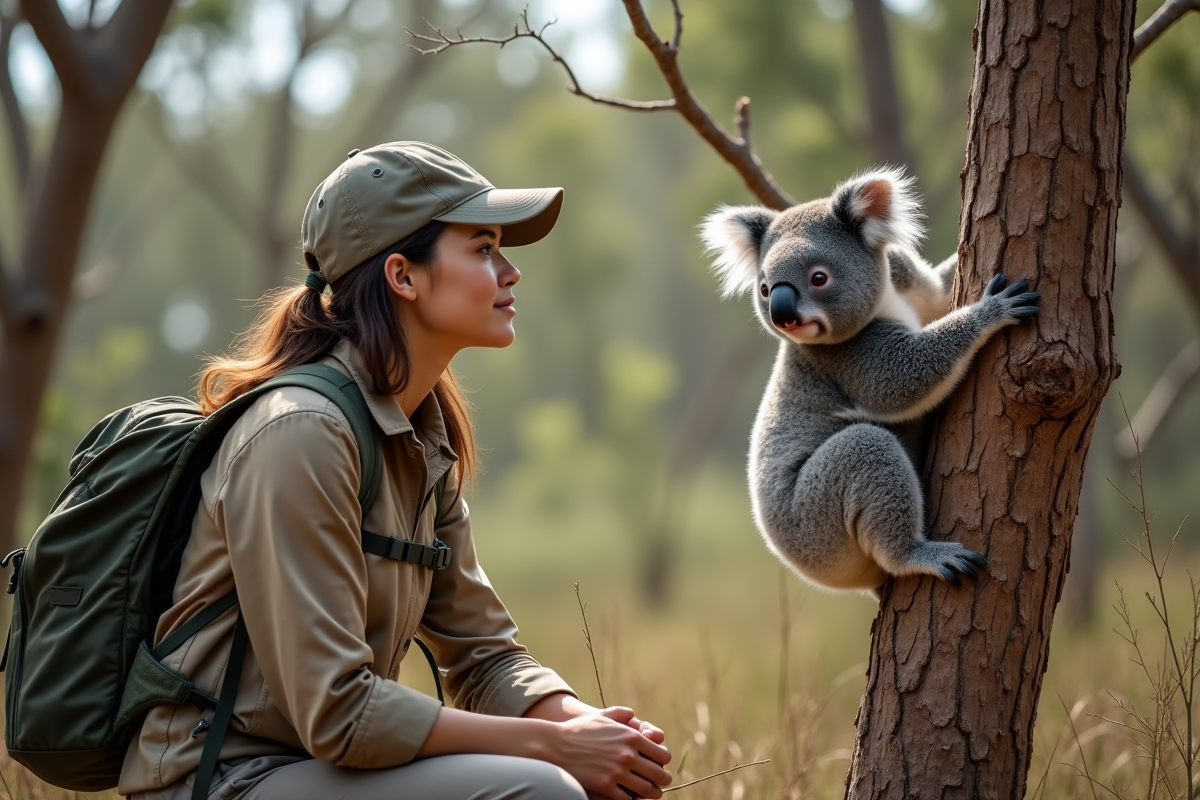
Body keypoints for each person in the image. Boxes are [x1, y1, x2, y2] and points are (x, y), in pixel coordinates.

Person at [119, 142, 673, 800]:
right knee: (541, 790)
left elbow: (484, 655)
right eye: (483, 248)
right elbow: (340, 714)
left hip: (321, 771)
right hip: (222, 777)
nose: (510, 271)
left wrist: (596, 732)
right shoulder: (300, 433)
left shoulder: (417, 434)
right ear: (404, 276)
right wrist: (552, 747)